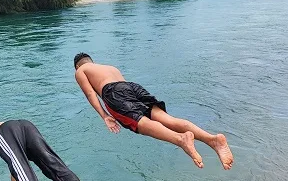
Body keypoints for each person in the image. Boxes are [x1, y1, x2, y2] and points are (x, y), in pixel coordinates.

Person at [73, 53, 234, 169]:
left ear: (78, 65)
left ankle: (180, 139)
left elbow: (90, 93)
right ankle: (213, 140)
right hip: (131, 86)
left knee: (141, 124)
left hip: (113, 92)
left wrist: (105, 116)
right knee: (167, 119)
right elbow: (121, 86)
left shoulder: (81, 70)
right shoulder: (109, 68)